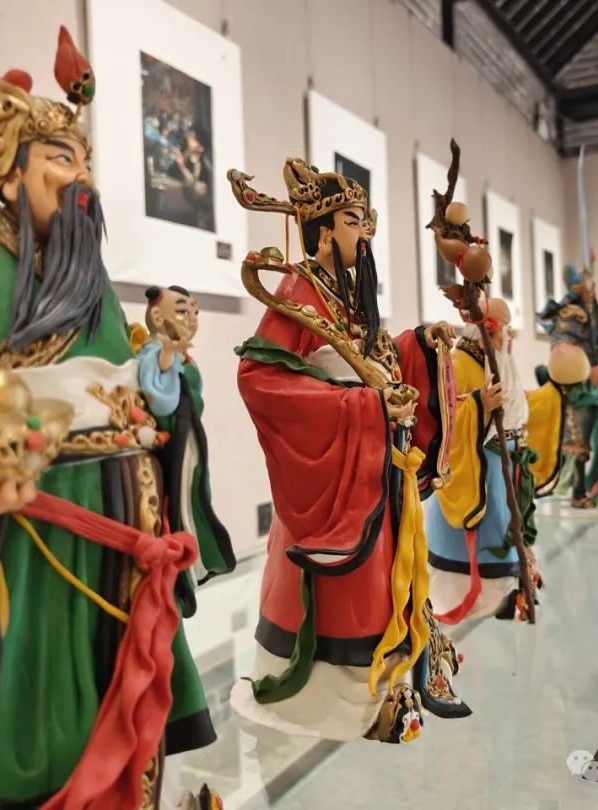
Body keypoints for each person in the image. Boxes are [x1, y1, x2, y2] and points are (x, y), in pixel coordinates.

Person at [0, 29, 235, 809]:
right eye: (62, 159)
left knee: (103, 701)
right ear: (12, 166)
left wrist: (170, 378)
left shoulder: (85, 269)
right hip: (22, 530)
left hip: (115, 527)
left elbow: (126, 379)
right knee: (20, 714)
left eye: (86, 162)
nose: (82, 179)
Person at [228, 159, 471, 745]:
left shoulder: (350, 298)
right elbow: (260, 378)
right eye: (354, 220)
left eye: (366, 220)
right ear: (323, 230)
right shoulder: (298, 290)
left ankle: (397, 677)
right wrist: (359, 408)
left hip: (375, 459)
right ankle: (341, 700)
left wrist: (419, 344)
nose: (365, 232)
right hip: (341, 463)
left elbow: (378, 358)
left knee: (387, 574)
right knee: (347, 589)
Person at [424, 298, 562, 625]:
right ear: (487, 329)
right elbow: (444, 416)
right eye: (504, 328)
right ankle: (486, 595)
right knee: (495, 526)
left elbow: (515, 405)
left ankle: (508, 590)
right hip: (479, 468)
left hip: (503, 462)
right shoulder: (459, 363)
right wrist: (478, 406)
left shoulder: (496, 359)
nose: (509, 335)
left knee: (508, 524)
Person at [539, 264, 598, 509]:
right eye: (586, 283)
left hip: (596, 384)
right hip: (579, 386)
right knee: (579, 440)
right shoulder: (571, 314)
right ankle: (579, 492)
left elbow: (595, 342)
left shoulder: (588, 311)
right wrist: (588, 372)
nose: (591, 288)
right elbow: (562, 348)